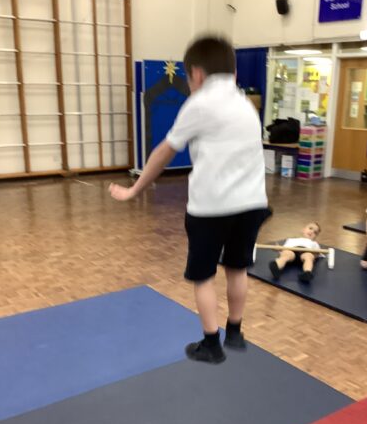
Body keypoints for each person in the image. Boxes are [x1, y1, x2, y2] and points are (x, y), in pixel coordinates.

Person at [109, 35, 271, 364]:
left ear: (196, 74)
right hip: (252, 204)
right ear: (233, 72)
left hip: (212, 208)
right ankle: (235, 332)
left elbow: (164, 152)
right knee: (237, 269)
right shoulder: (246, 104)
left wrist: (134, 189)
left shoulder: (199, 104)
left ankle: (211, 345)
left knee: (203, 276)